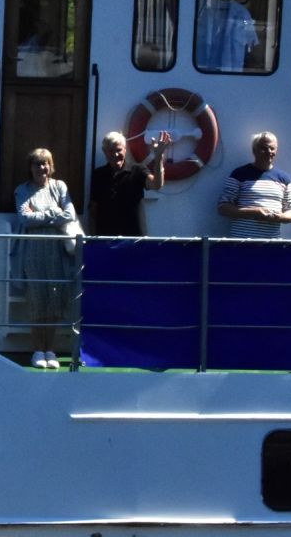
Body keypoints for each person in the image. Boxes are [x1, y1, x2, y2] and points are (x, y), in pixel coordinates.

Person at [15, 147, 76, 369]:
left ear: (51, 166)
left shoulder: (60, 187)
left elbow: (69, 214)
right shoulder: (23, 190)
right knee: (37, 302)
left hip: (57, 252)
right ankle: (37, 350)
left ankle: (50, 349)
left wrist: (41, 214)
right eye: (37, 164)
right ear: (30, 168)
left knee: (54, 301)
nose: (42, 168)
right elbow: (24, 218)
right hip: (34, 253)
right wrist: (54, 213)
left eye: (46, 163)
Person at [88, 130, 173, 235]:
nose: (115, 154)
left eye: (119, 150)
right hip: (104, 240)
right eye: (110, 151)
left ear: (125, 150)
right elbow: (93, 210)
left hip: (133, 239)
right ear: (104, 151)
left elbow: (157, 184)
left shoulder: (138, 170)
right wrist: (91, 239)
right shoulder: (98, 175)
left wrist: (159, 156)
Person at [216, 132, 291, 238]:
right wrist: (253, 212)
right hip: (241, 243)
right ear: (254, 150)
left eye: (272, 148)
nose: (269, 152)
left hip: (272, 245)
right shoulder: (239, 174)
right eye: (264, 148)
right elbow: (222, 207)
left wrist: (279, 217)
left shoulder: (284, 179)